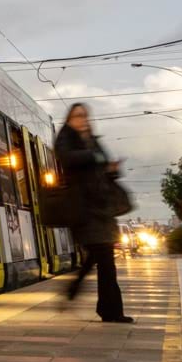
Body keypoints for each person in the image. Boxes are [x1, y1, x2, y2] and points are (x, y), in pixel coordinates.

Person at [49, 103, 135, 323]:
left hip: (101, 208)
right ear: (69, 119)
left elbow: (102, 170)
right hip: (82, 209)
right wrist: (93, 156)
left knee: (98, 258)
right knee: (105, 260)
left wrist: (112, 170)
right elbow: (67, 159)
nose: (82, 120)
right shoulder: (65, 139)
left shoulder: (92, 140)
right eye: (77, 116)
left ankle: (76, 293)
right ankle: (111, 311)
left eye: (85, 116)